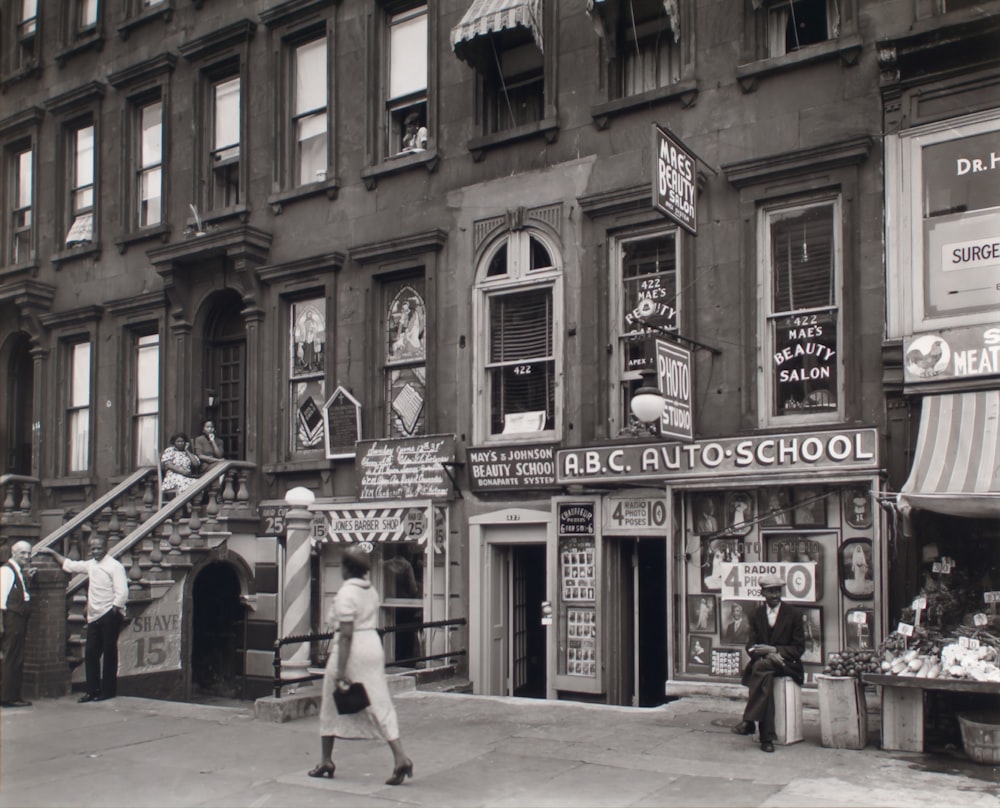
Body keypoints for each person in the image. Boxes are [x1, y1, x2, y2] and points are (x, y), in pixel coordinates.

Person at [310, 544, 413, 786]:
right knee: (379, 701)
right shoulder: (371, 590)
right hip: (372, 645)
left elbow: (345, 634)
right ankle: (400, 755)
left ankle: (326, 759)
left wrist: (341, 670)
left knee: (330, 700)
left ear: (347, 568)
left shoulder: (347, 593)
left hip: (352, 648)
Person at [37, 536, 128, 702]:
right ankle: (92, 690)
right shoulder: (91, 565)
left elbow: (121, 592)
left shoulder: (115, 566)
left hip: (109, 614)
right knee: (91, 653)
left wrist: (113, 610)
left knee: (109, 653)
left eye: (99, 548)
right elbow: (70, 565)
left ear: (106, 547)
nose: (95, 551)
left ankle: (108, 691)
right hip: (94, 616)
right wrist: (51, 552)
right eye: (92, 549)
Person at [731, 573, 805, 753]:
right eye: (771, 592)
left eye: (778, 592)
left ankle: (749, 721)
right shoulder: (756, 614)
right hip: (765, 665)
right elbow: (751, 644)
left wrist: (774, 652)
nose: (775, 596)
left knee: (760, 669)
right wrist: (762, 654)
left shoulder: (793, 614)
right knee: (765, 678)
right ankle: (766, 739)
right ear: (762, 593)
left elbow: (799, 648)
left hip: (787, 665)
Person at [1, 541, 35, 707]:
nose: (26, 557)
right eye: (22, 553)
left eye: (28, 553)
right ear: (13, 553)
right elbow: (1, 600)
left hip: (19, 619)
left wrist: (27, 578)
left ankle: (12, 694)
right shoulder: (6, 571)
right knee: (12, 657)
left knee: (16, 657)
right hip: (12, 619)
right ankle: (8, 697)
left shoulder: (18, 571)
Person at [160, 432, 200, 500]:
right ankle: (185, 505)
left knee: (197, 483)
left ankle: (191, 503)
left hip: (187, 476)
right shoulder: (170, 450)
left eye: (182, 441)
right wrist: (182, 471)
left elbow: (196, 464)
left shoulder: (187, 453)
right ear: (174, 442)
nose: (180, 443)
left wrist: (186, 450)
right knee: (182, 483)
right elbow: (169, 465)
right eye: (178, 441)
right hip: (173, 475)